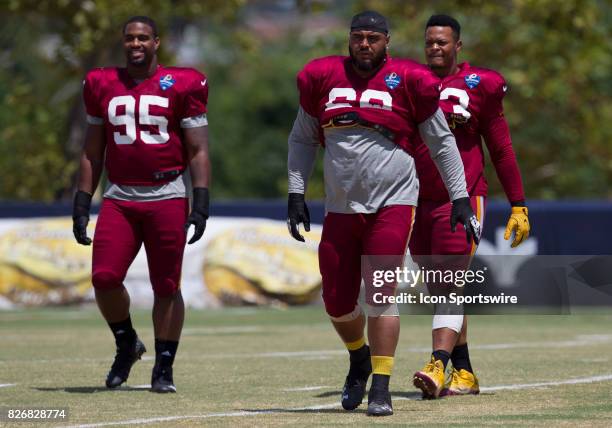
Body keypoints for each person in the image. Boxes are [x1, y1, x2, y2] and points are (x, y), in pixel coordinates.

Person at [286, 10, 480, 417]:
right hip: (340, 205)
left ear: (386, 42)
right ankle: (359, 356)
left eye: (373, 38)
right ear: (349, 39)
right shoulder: (321, 77)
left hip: (393, 202)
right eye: (358, 36)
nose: (364, 44)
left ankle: (380, 384)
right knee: (337, 302)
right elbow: (303, 137)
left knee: (380, 292)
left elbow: (442, 142)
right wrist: (296, 191)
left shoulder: (409, 79)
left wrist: (460, 196)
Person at [72, 16, 211, 393]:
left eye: (144, 38)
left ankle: (164, 366)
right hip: (119, 196)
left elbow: (197, 149)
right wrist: (83, 201)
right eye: (130, 38)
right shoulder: (101, 82)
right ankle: (126, 342)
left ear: (157, 42)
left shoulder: (183, 82)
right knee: (104, 277)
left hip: (166, 193)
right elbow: (92, 151)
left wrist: (200, 200)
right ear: (123, 42)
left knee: (166, 284)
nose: (136, 44)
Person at [410, 14, 530, 399]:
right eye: (430, 42)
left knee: (449, 282)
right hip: (415, 197)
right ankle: (464, 372)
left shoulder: (481, 84)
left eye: (442, 42)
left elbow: (501, 148)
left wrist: (518, 205)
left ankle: (437, 364)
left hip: (462, 197)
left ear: (457, 45)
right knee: (439, 288)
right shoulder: (411, 81)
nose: (435, 48)